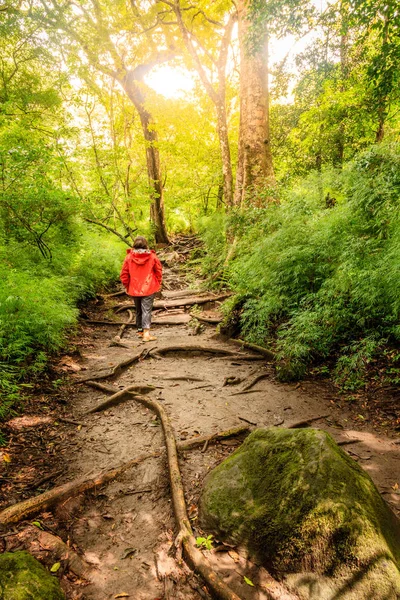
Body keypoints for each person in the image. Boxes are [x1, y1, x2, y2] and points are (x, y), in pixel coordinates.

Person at [120, 236, 162, 342]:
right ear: (145, 245)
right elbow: (158, 271)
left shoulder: (129, 257)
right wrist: (158, 282)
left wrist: (126, 285)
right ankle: (146, 334)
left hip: (134, 288)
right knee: (146, 311)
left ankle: (140, 331)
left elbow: (124, 274)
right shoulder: (152, 256)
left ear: (134, 245)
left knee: (138, 311)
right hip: (149, 288)